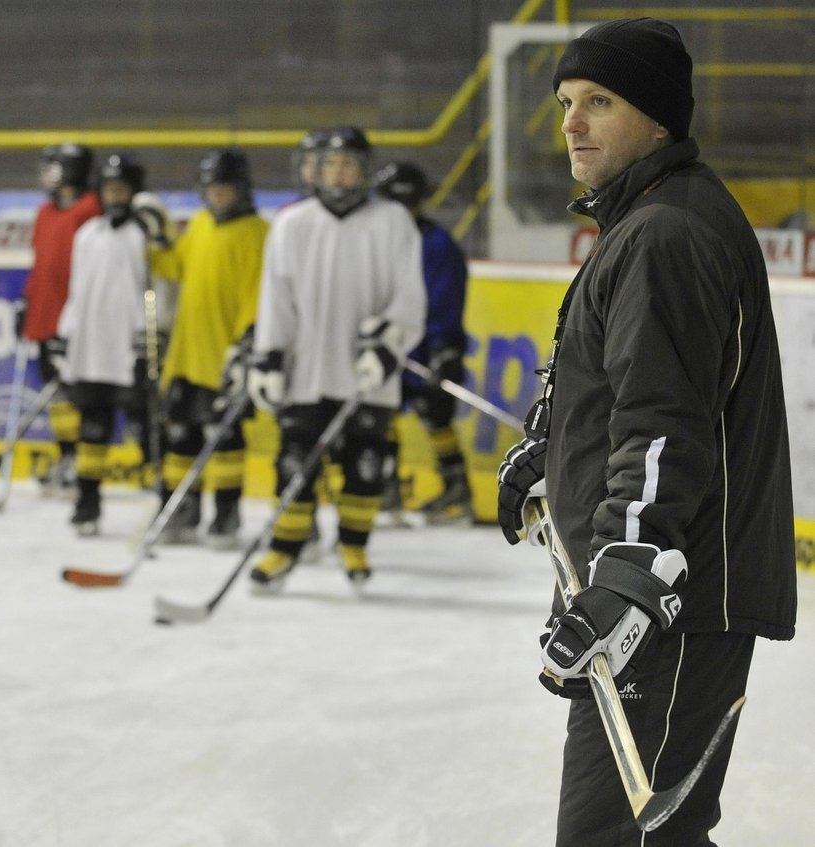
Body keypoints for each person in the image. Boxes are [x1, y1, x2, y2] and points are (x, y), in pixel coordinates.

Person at [496, 19, 796, 845]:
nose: (572, 122)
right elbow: (622, 383)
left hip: (671, 599)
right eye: (565, 101)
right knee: (656, 833)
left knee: (618, 835)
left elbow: (665, 423)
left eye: (599, 101)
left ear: (659, 119)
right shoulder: (647, 218)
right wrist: (549, 444)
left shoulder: (665, 232)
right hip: (669, 591)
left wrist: (630, 571)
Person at [247, 127, 427, 588]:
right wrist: (268, 357)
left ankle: (353, 547)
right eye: (330, 164)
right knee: (293, 463)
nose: (339, 172)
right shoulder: (292, 223)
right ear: (316, 169)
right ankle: (284, 550)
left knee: (365, 466)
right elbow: (276, 299)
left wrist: (389, 347)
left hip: (368, 372)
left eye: (348, 163)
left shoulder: (393, 221)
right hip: (306, 370)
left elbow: (409, 296)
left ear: (363, 170)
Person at [148, 148, 269, 548]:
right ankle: (180, 509)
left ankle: (226, 512)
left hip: (225, 358)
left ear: (242, 190)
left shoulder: (257, 233)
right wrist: (152, 241)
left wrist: (247, 343)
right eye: (212, 189)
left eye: (225, 189)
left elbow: (258, 295)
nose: (217, 196)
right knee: (181, 436)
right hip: (187, 354)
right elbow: (175, 267)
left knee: (226, 439)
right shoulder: (199, 225)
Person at [55, 152, 154, 535]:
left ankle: (169, 500)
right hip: (92, 350)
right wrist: (66, 336)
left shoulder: (142, 235)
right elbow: (79, 292)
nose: (115, 196)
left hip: (131, 351)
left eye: (122, 189)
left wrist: (151, 338)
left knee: (145, 428)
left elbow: (152, 290)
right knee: (91, 429)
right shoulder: (87, 235)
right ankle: (88, 502)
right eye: (109, 189)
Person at [373, 160, 472, 524]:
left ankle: (456, 491)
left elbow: (446, 298)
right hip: (390, 344)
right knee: (380, 417)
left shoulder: (435, 244)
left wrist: (444, 347)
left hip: (428, 347)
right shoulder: (380, 243)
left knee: (436, 415)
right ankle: (386, 490)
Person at [19, 142, 101, 495]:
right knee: (58, 399)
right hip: (44, 317)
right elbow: (41, 266)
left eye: (54, 167)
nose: (47, 175)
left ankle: (83, 463)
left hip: (74, 324)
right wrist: (28, 302)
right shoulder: (45, 213)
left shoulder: (90, 209)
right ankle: (68, 458)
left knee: (77, 395)